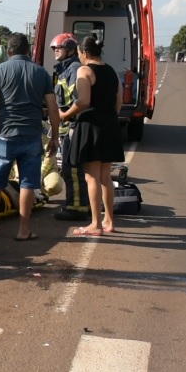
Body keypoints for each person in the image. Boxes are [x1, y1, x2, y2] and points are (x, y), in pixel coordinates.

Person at [0, 33, 60, 241]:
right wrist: (55, 136)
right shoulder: (41, 73)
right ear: (28, 51)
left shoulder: (1, 70)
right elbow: (52, 107)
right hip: (32, 136)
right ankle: (23, 230)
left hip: (5, 136)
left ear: (9, 51)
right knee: (28, 183)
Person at [59, 36, 125, 236]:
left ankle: (95, 224)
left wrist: (65, 114)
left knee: (91, 177)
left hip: (91, 125)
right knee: (105, 177)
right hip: (110, 124)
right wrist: (109, 117)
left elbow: (83, 101)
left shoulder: (84, 70)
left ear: (84, 53)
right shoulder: (112, 71)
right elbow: (119, 101)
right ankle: (109, 221)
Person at [50, 32, 91, 222]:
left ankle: (77, 208)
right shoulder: (63, 70)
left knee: (72, 168)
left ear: (71, 50)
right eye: (54, 49)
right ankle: (76, 203)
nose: (56, 51)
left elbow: (79, 100)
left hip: (74, 124)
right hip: (68, 126)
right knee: (69, 168)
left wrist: (65, 115)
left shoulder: (74, 69)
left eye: (59, 48)